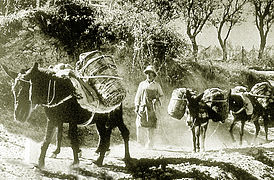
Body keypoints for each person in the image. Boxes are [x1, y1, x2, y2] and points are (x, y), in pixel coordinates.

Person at [134, 65, 164, 149]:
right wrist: (136, 105)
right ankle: (140, 143)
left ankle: (150, 143)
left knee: (151, 126)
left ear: (154, 75)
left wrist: (157, 99)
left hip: (153, 108)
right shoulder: (142, 84)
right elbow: (138, 96)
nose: (149, 75)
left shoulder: (157, 85)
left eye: (151, 74)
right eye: (147, 74)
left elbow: (162, 96)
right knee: (140, 124)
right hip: (143, 106)